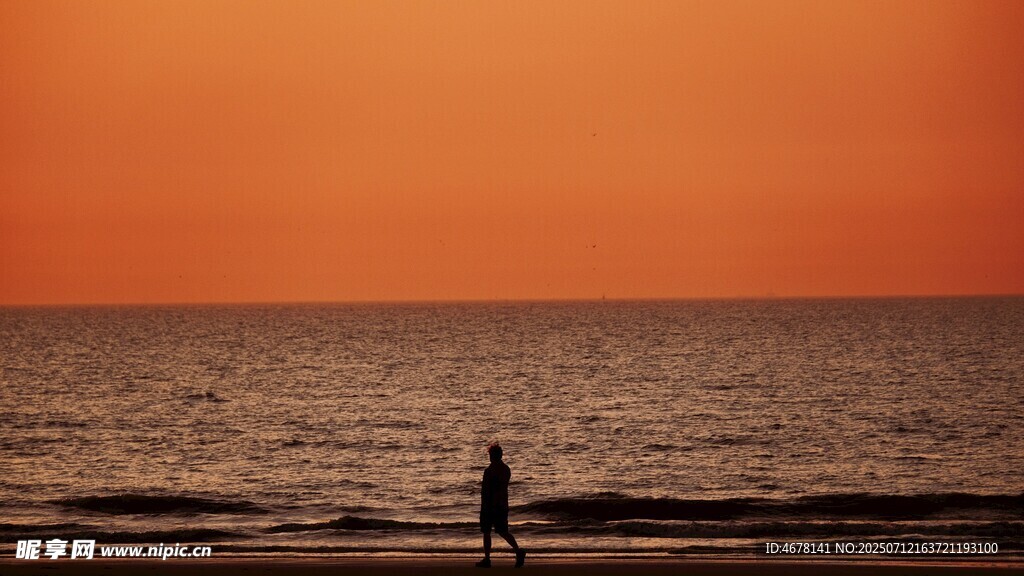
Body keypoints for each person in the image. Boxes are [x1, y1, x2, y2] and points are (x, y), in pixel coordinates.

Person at [476, 443, 525, 568]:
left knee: (488, 532)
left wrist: (487, 505)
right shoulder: (505, 469)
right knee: (502, 531)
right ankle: (517, 551)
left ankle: (488, 559)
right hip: (501, 505)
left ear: (492, 456)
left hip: (491, 506)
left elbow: (487, 490)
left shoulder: (490, 471)